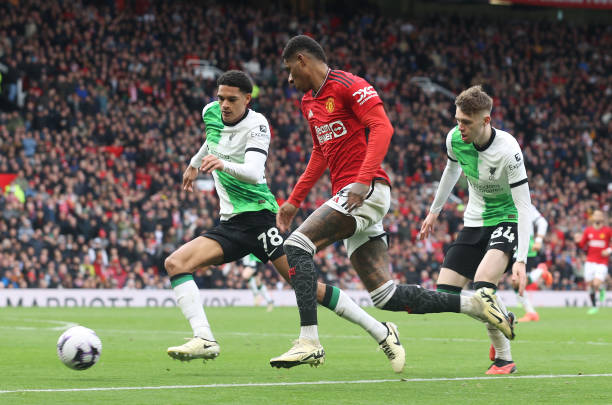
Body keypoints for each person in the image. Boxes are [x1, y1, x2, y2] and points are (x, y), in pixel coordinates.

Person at [270, 36, 513, 370]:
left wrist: (364, 177)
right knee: (385, 295)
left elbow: (382, 127)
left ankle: (309, 341)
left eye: (288, 70)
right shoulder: (308, 103)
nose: (288, 79)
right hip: (350, 196)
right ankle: (476, 306)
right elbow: (318, 153)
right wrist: (294, 200)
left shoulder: (349, 85)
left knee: (296, 246)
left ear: (301, 60)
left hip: (366, 191)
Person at [164, 70, 408, 373]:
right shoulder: (210, 113)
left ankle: (382, 332)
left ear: (247, 99)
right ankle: (204, 338)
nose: (224, 104)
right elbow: (213, 140)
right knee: (176, 264)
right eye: (220, 98)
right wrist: (193, 162)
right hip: (230, 223)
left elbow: (253, 171)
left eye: (231, 99)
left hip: (259, 218)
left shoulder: (258, 125)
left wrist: (221, 164)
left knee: (307, 288)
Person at [418, 85, 530, 375]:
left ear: (486, 121)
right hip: (475, 220)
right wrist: (434, 211)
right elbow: (451, 170)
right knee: (446, 291)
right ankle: (502, 315)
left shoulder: (509, 150)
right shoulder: (454, 139)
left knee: (483, 286)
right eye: (457, 120)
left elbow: (524, 207)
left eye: (466, 122)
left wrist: (521, 260)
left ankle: (504, 359)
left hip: (506, 217)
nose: (460, 127)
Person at [515, 204, 550, 322]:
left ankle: (541, 271)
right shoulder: (501, 202)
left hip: (525, 246)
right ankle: (531, 313)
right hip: (509, 244)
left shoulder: (525, 204)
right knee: (515, 283)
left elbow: (542, 222)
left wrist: (539, 240)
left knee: (517, 281)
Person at [574, 209, 611, 314]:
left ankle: (602, 287)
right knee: (590, 285)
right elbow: (582, 245)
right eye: (596, 215)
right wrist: (577, 241)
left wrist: (608, 250)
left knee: (596, 283)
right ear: (593, 218)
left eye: (600, 215)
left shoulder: (608, 231)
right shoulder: (588, 230)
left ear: (602, 218)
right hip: (590, 261)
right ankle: (594, 306)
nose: (598, 217)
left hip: (602, 262)